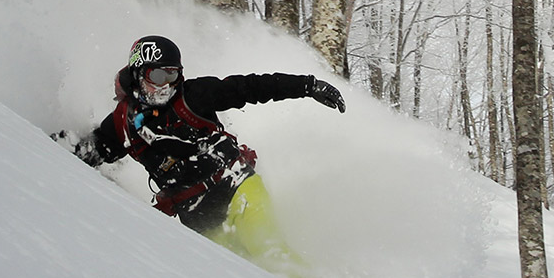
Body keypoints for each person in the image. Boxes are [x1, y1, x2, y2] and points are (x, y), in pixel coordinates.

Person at [58, 35, 346, 243]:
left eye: (174, 74)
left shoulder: (193, 96)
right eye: (159, 75)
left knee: (270, 253)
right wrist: (42, 147)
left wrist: (307, 86)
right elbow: (88, 152)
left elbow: (252, 87)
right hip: (199, 221)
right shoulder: (123, 123)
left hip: (237, 187)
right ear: (139, 73)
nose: (167, 84)